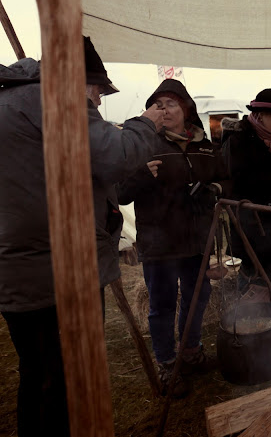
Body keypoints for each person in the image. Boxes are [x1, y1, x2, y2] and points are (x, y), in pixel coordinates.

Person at [0, 36, 163, 437]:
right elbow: (117, 155)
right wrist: (147, 123)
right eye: (99, 92)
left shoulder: (15, 103)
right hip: (58, 272)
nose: (99, 102)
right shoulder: (54, 100)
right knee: (65, 380)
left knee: (40, 375)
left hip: (21, 269)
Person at [117, 79, 226, 398]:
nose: (163, 109)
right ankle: (166, 362)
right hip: (159, 241)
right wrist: (142, 175)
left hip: (196, 240)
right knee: (162, 304)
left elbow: (225, 179)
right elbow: (121, 193)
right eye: (158, 105)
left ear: (186, 109)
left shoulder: (204, 145)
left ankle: (190, 351)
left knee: (197, 297)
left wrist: (214, 190)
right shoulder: (143, 144)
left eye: (171, 104)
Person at [221, 88, 271, 287]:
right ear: (260, 115)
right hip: (249, 218)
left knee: (270, 268)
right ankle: (246, 304)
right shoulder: (237, 140)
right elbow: (236, 179)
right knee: (251, 270)